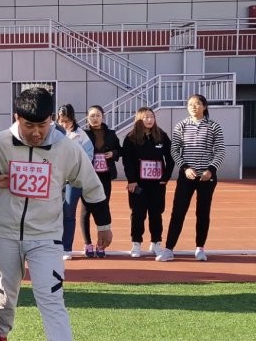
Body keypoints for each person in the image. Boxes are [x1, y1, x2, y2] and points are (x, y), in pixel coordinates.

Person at [0, 87, 111, 341]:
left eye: (43, 125)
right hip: (3, 232)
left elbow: (91, 184)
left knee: (51, 296)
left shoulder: (67, 148)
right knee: (3, 294)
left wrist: (104, 224)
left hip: (46, 236)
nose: (36, 133)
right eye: (29, 125)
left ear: (52, 119)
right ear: (16, 118)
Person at [156, 94, 225, 262]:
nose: (193, 107)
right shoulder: (181, 125)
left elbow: (220, 150)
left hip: (206, 177)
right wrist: (185, 168)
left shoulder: (214, 126)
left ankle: (200, 248)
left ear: (204, 106)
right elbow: (174, 150)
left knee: (203, 212)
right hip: (186, 176)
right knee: (178, 212)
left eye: (197, 104)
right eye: (190, 104)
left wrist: (211, 170)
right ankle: (169, 249)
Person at [121, 108, 174, 258]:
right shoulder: (131, 138)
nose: (149, 120)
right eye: (146, 117)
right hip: (138, 184)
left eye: (152, 117)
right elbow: (127, 161)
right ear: (139, 119)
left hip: (157, 184)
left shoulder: (161, 136)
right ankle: (136, 243)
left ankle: (156, 242)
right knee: (138, 214)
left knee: (156, 213)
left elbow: (170, 158)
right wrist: (132, 180)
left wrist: (165, 177)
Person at [81, 105, 120, 258]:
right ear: (87, 118)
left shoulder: (111, 134)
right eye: (92, 116)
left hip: (105, 176)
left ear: (103, 116)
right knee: (86, 210)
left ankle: (101, 244)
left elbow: (120, 150)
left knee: (103, 208)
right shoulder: (83, 134)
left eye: (98, 115)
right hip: (87, 176)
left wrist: (113, 153)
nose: (95, 118)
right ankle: (87, 243)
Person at [56, 104, 93, 260]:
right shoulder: (53, 134)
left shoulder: (81, 135)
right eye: (62, 121)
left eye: (67, 121)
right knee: (53, 213)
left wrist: (75, 168)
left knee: (68, 212)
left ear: (73, 119)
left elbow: (89, 156)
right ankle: (54, 246)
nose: (64, 124)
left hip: (74, 180)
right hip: (56, 180)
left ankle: (67, 248)